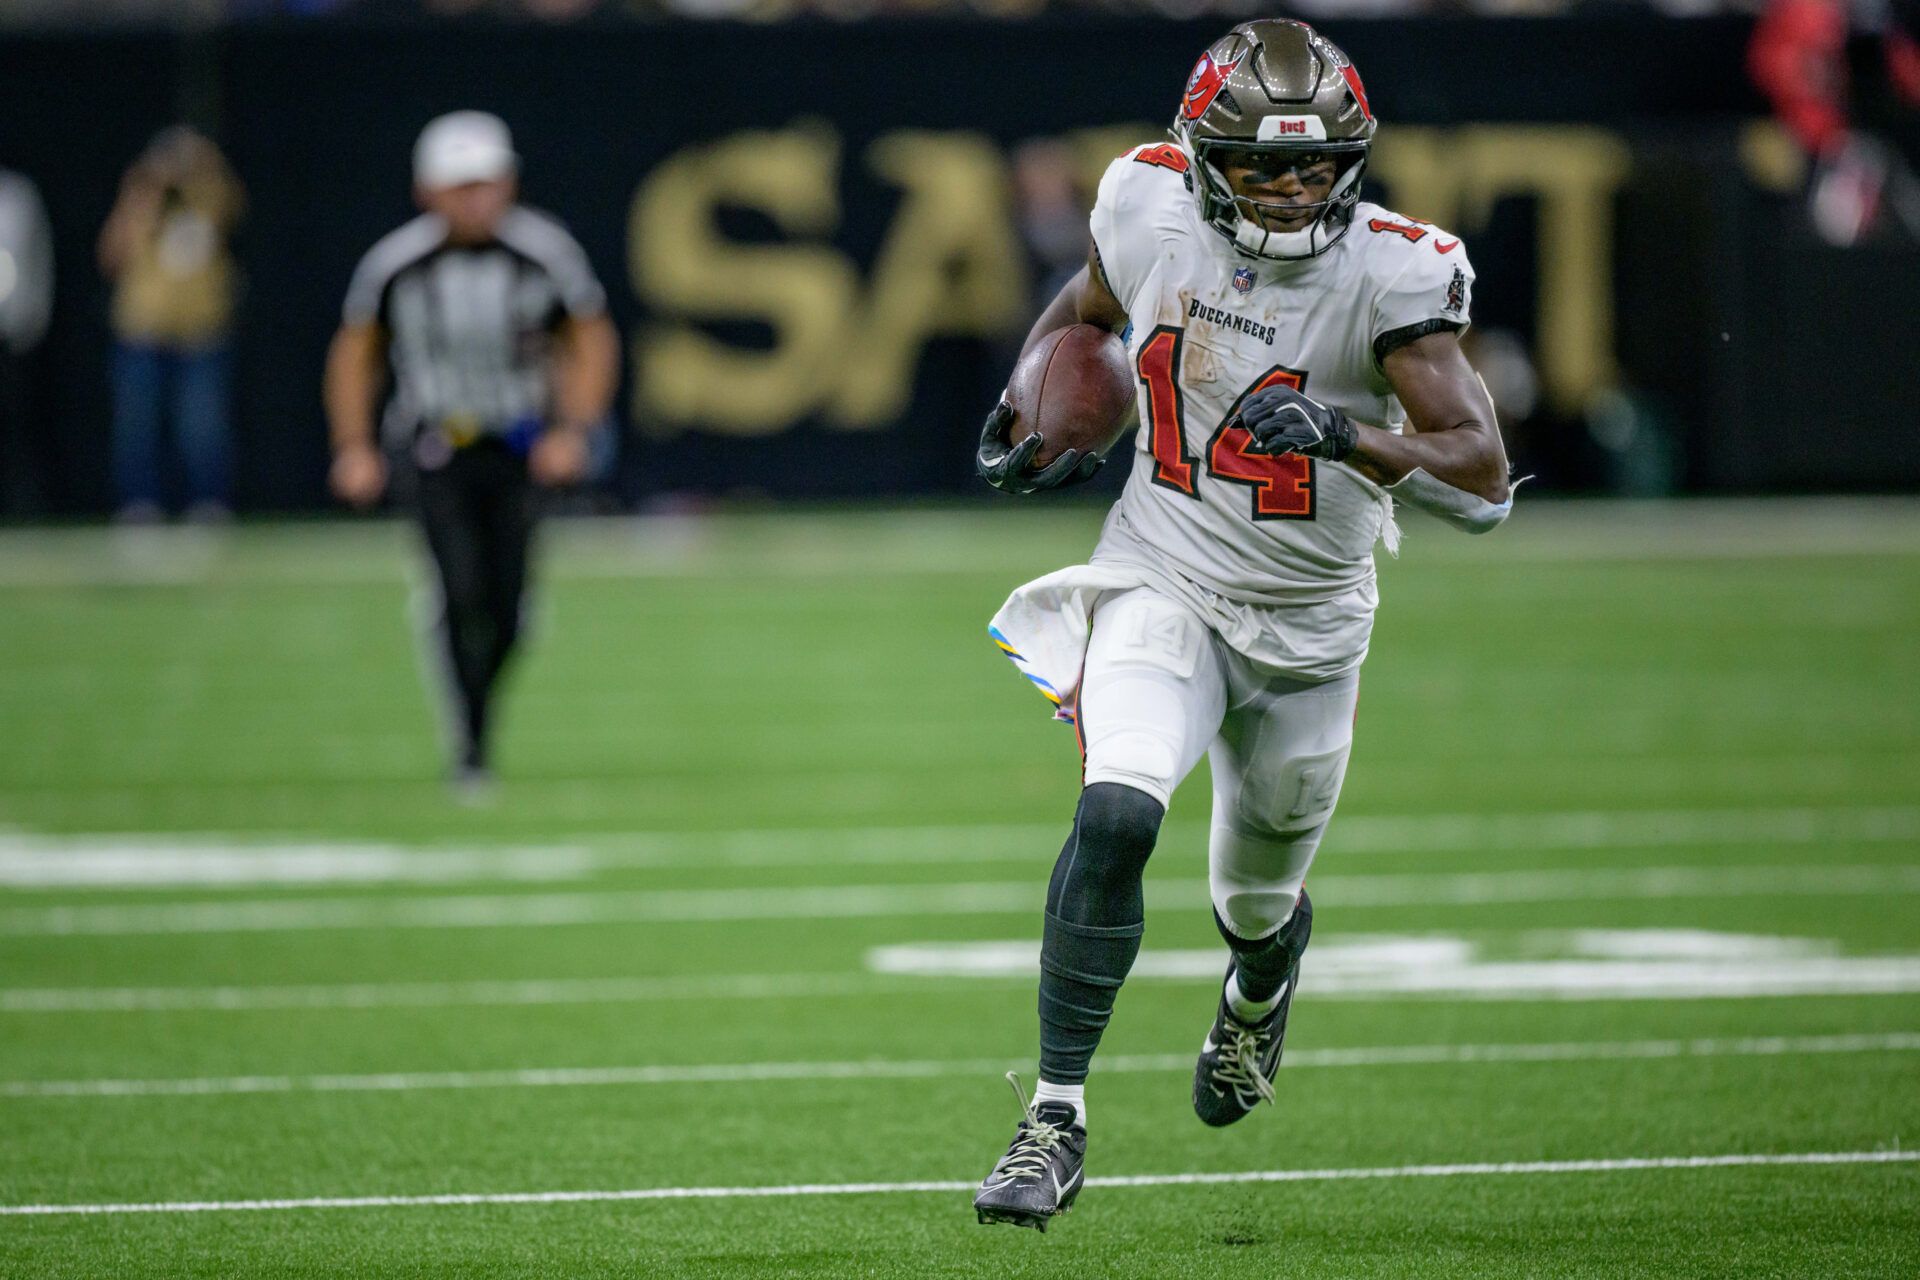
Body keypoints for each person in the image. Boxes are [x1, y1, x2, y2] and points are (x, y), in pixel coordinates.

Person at [969, 20, 1513, 1231]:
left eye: (1314, 164)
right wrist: (1032, 395)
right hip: (1164, 568)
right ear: (1203, 156)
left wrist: (1350, 435)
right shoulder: (1145, 203)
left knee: (1255, 901)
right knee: (1116, 807)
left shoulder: (1392, 272)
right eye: (1264, 165)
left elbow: (1480, 480)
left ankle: (1261, 982)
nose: (1290, 187)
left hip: (1312, 622)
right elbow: (1090, 303)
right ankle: (1053, 1117)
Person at [324, 110, 619, 794]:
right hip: (435, 445)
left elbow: (590, 339)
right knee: (459, 591)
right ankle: (471, 743)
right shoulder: (398, 264)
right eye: (461, 186)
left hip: (517, 446)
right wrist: (354, 445)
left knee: (509, 607)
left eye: (485, 184)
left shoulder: (544, 254)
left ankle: (475, 714)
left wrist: (573, 431)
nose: (475, 200)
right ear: (429, 191)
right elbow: (355, 356)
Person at [97, 127, 245, 523]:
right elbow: (110, 256)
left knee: (203, 428)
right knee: (138, 427)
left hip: (200, 332)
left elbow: (233, 205)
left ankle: (208, 503)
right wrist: (145, 187)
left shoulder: (206, 199)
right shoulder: (142, 205)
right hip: (143, 331)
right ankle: (139, 505)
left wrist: (201, 162)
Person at [0, 164, 53, 514]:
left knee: (14, 425)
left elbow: (34, 262)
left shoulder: (16, 194)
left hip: (9, 331)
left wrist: (31, 319)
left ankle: (23, 506)